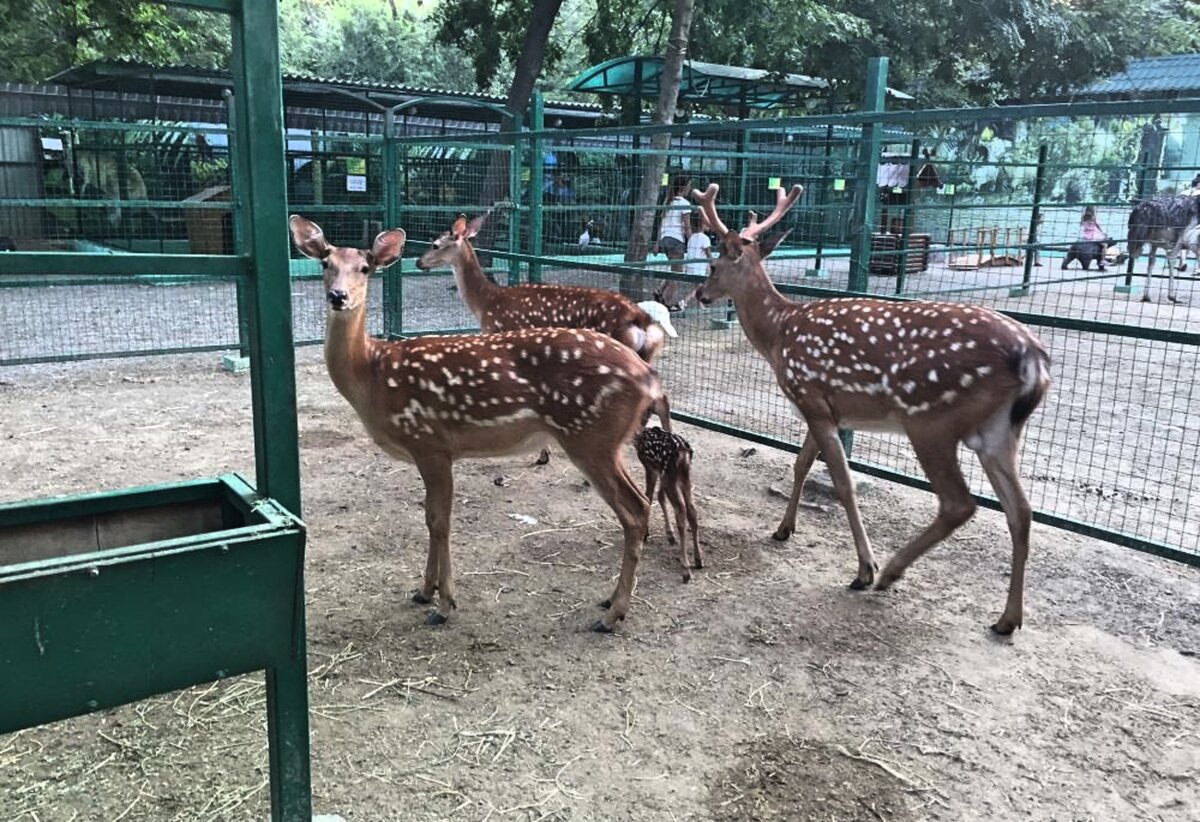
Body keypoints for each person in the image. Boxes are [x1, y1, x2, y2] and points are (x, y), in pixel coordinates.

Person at [655, 173, 692, 309]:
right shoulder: (684, 203)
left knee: (673, 271)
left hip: (665, 239)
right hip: (676, 240)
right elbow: (686, 226)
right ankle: (665, 304)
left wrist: (657, 242)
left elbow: (661, 224)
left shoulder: (668, 202)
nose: (690, 188)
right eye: (689, 185)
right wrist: (693, 240)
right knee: (677, 276)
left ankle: (659, 291)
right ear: (683, 187)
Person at [679, 211, 712, 310]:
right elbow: (709, 255)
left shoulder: (692, 237)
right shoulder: (705, 238)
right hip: (698, 269)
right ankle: (684, 301)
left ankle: (700, 304)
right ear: (702, 223)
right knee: (699, 287)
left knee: (698, 286)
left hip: (690, 267)